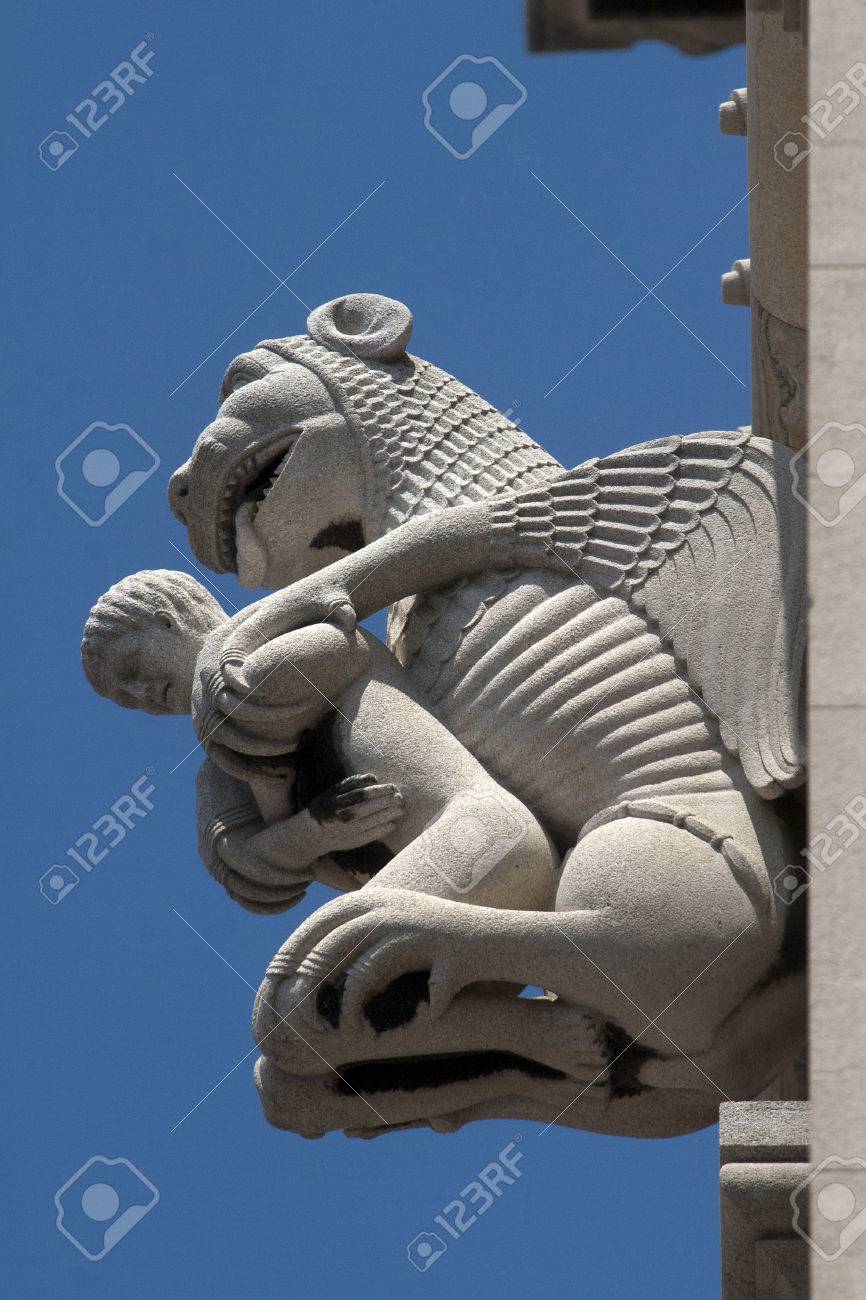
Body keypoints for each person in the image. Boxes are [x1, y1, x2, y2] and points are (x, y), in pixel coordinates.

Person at [82, 570, 559, 917]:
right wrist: (314, 830)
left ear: (168, 623)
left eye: (133, 671)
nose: (141, 694)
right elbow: (246, 869)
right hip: (420, 887)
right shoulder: (217, 769)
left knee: (300, 992)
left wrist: (276, 805)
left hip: (474, 832)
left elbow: (258, 687)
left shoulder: (280, 632)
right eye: (127, 698)